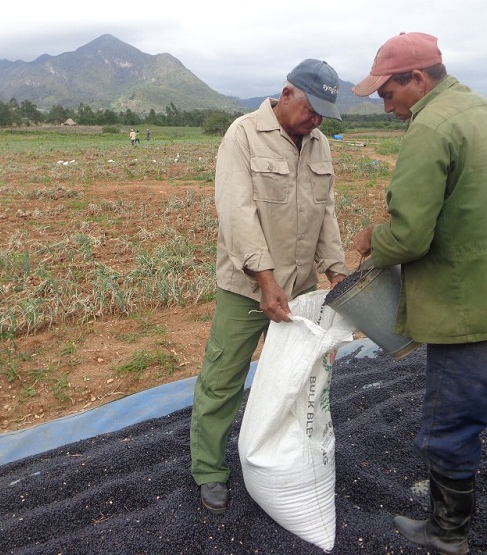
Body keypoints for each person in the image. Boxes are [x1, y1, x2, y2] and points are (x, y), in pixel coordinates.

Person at [351, 32, 487, 555]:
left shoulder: (432, 126)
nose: (386, 107)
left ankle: (448, 535)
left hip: (472, 312)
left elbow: (408, 236)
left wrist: (368, 241)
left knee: (449, 429)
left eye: (387, 94)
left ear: (418, 79)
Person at [190, 58, 349, 514]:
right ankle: (209, 469)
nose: (316, 120)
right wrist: (264, 279)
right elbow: (237, 213)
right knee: (223, 379)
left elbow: (327, 214)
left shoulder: (319, 145)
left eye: (323, 114)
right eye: (311, 108)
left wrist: (336, 272)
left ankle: (283, 461)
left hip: (300, 291)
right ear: (286, 94)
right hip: (248, 290)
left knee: (297, 381)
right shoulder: (242, 134)